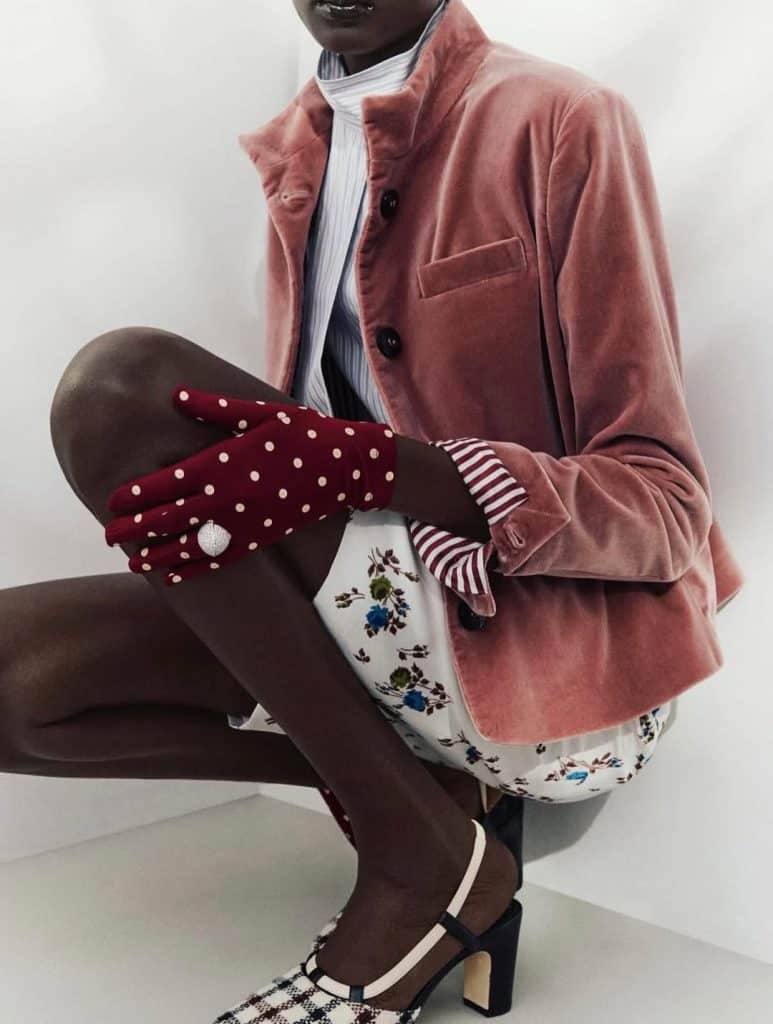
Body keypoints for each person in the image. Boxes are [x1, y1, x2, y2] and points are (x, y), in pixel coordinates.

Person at [0, 0, 745, 1021]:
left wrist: (376, 467)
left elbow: (662, 502)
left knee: (121, 389)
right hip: (373, 630)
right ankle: (425, 820)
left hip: (545, 652)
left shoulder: (560, 117)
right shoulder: (298, 150)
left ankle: (414, 865)